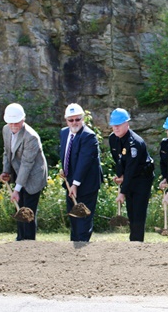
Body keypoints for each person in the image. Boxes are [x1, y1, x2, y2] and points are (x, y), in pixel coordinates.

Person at [0, 103, 48, 241]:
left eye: (17, 122)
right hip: (18, 171)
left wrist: (17, 189)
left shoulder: (31, 137)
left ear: (23, 119)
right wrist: (6, 171)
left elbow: (27, 164)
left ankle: (29, 241)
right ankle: (20, 238)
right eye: (11, 123)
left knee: (28, 210)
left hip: (34, 175)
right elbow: (7, 152)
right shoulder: (6, 130)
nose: (14, 126)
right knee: (19, 207)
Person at [108, 108, 155, 242]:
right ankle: (133, 241)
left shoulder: (134, 143)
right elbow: (118, 161)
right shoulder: (113, 139)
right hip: (129, 177)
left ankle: (137, 242)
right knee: (131, 211)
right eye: (113, 125)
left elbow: (131, 168)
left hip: (142, 179)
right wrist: (120, 175)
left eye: (118, 125)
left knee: (138, 212)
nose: (115, 128)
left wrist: (122, 191)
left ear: (127, 124)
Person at [59, 103, 103, 242]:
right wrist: (65, 171)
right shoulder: (64, 132)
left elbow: (84, 162)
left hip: (86, 184)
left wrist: (75, 184)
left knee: (83, 219)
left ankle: (82, 247)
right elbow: (66, 154)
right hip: (70, 183)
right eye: (71, 120)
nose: (74, 123)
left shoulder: (89, 136)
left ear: (83, 119)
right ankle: (74, 246)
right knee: (73, 217)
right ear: (66, 120)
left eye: (77, 119)